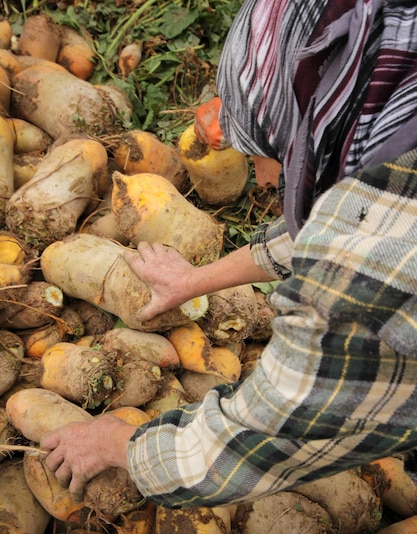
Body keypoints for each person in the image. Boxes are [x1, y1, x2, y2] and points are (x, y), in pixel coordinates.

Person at [41, 0, 417, 507]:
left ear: (307, 124)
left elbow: (266, 436)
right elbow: (337, 223)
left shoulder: (366, 272)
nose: (263, 180)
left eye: (265, 149)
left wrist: (117, 443)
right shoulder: (395, 114)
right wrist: (196, 281)